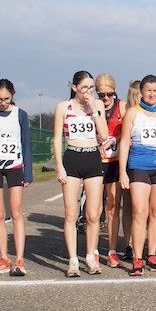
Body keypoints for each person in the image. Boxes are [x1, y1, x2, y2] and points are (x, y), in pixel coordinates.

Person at [119, 75, 156, 276]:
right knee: (139, 212)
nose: (152, 94)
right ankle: (137, 257)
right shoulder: (132, 113)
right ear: (141, 92)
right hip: (138, 167)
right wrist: (122, 172)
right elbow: (125, 143)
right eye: (148, 90)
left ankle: (152, 254)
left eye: (155, 90)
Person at [53, 71, 110, 277]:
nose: (88, 91)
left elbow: (104, 135)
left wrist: (94, 108)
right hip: (73, 158)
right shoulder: (63, 107)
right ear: (75, 87)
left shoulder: (98, 105)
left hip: (92, 156)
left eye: (91, 88)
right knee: (70, 213)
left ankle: (91, 257)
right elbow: (57, 138)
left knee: (93, 214)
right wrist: (60, 166)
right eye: (84, 87)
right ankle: (73, 260)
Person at [0, 79, 33, 276]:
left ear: (13, 96)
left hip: (15, 166)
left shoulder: (20, 115)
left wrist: (28, 172)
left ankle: (19, 259)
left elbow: (26, 143)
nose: (2, 103)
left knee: (16, 212)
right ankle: (3, 258)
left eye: (6, 99)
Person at [96, 73, 128, 268]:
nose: (106, 98)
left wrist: (114, 139)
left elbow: (129, 130)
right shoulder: (92, 107)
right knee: (94, 208)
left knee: (113, 207)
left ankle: (112, 250)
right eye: (101, 95)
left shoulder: (122, 106)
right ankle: (93, 249)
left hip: (115, 161)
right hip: (96, 161)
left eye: (109, 94)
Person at [120, 79, 140, 260]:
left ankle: (134, 244)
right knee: (130, 207)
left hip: (142, 162)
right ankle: (130, 244)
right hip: (128, 161)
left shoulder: (151, 113)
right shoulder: (126, 112)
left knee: (135, 208)